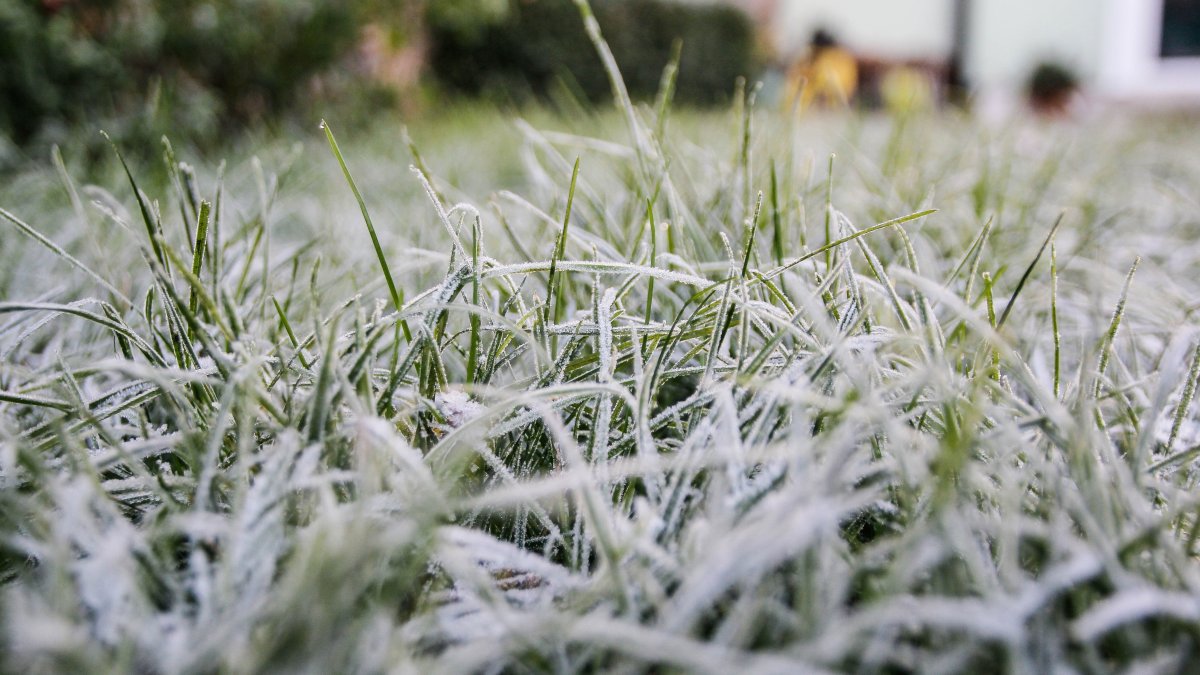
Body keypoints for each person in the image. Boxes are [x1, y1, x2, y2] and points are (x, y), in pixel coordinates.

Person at [785, 29, 858, 112]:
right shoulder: (811, 58)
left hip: (828, 106)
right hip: (811, 104)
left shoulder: (834, 59)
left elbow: (829, 83)